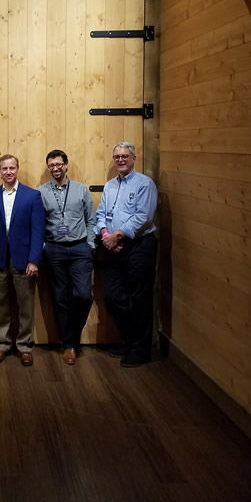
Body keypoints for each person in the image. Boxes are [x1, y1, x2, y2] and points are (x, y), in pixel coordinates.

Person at [95, 142, 158, 368]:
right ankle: (130, 341)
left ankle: (140, 350)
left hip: (139, 247)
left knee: (139, 299)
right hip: (112, 247)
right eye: (117, 157)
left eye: (124, 156)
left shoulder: (145, 184)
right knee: (113, 297)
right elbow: (101, 213)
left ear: (133, 158)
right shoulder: (111, 185)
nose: (120, 160)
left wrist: (118, 235)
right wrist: (105, 234)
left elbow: (144, 217)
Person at [0, 154, 45, 366]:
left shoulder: (32, 196)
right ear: (0, 170)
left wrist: (34, 260)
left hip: (24, 260)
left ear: (18, 169)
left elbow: (38, 231)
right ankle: (2, 345)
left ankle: (25, 347)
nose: (8, 172)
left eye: (12, 168)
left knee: (25, 305)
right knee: (0, 305)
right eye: (4, 168)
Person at [38, 149, 95, 365]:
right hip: (54, 250)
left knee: (83, 295)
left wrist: (89, 244)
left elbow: (91, 219)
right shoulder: (41, 192)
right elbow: (39, 223)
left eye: (58, 164)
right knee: (60, 298)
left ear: (66, 165)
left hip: (80, 248)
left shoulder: (81, 190)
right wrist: (44, 247)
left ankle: (72, 333)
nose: (55, 168)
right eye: (51, 165)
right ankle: (69, 344)